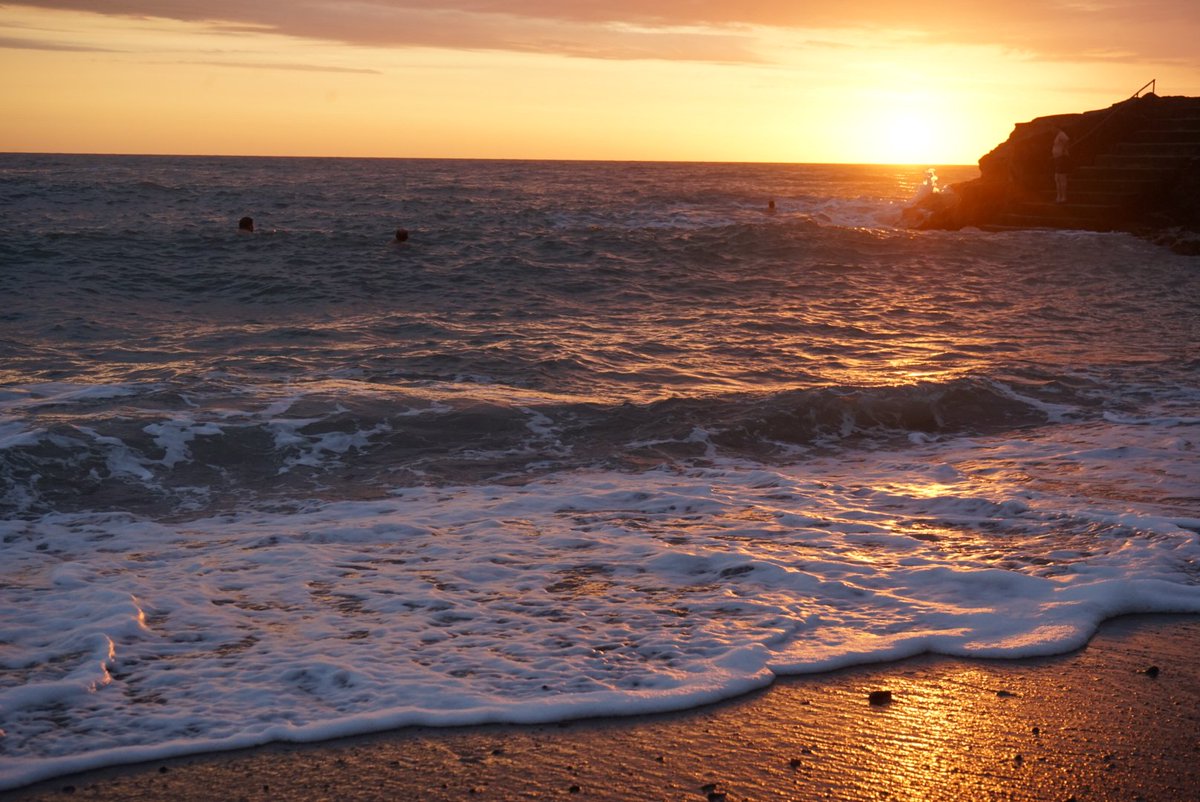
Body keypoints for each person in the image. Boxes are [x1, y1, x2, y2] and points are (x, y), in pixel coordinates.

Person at [1052, 126, 1070, 203]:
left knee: (1061, 177)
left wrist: (1064, 150)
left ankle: (1063, 197)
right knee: (1057, 178)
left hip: (1061, 157)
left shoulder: (1061, 134)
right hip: (1057, 158)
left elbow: (1067, 140)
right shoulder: (1058, 135)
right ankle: (1059, 196)